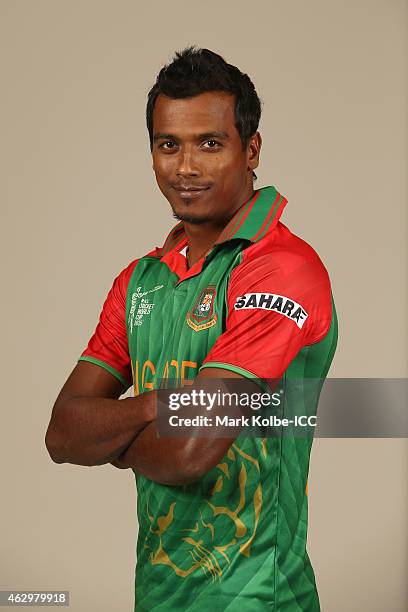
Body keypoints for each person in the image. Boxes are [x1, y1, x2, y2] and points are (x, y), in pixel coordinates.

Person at [45, 46, 338, 611]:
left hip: (257, 599)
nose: (186, 167)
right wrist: (160, 406)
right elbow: (62, 433)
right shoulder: (139, 282)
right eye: (168, 145)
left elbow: (190, 451)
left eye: (210, 143)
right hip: (157, 597)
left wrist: (112, 437)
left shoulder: (281, 268)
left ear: (250, 149)